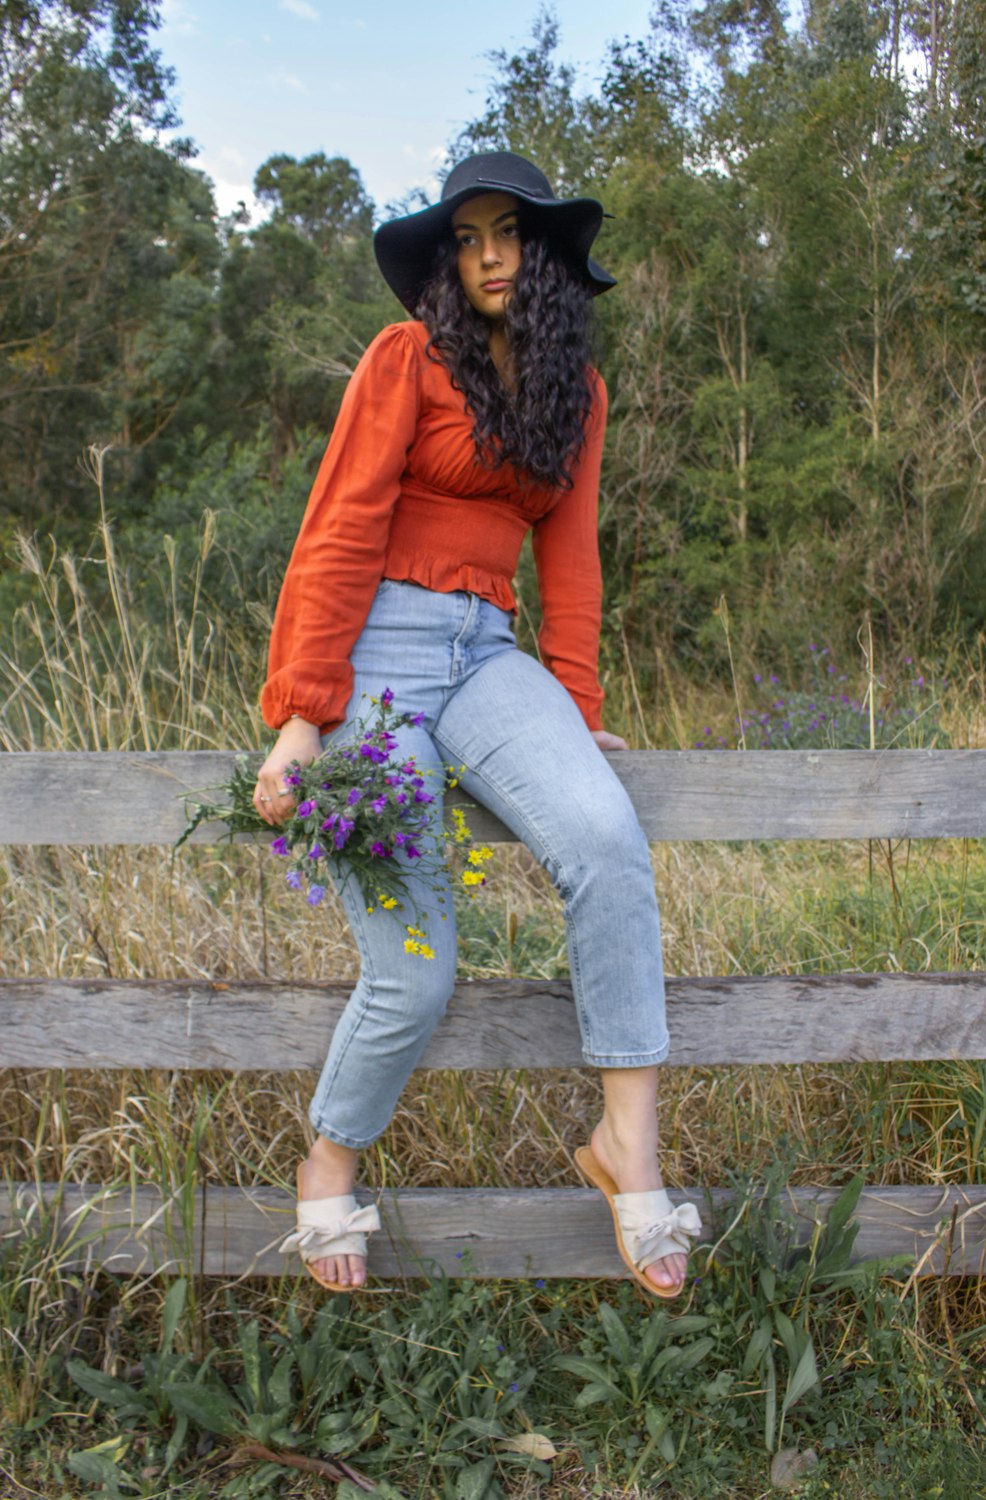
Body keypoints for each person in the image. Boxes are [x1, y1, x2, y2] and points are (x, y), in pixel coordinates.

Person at [253, 152, 701, 1300]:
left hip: (487, 658)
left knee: (604, 839)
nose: (489, 254)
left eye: (508, 232)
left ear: (544, 249)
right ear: (449, 258)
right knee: (419, 964)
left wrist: (578, 709)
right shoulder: (407, 357)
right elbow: (339, 528)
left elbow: (569, 555)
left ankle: (628, 1152)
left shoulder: (575, 392)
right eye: (467, 237)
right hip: (379, 660)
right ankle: (328, 1159)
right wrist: (305, 715)